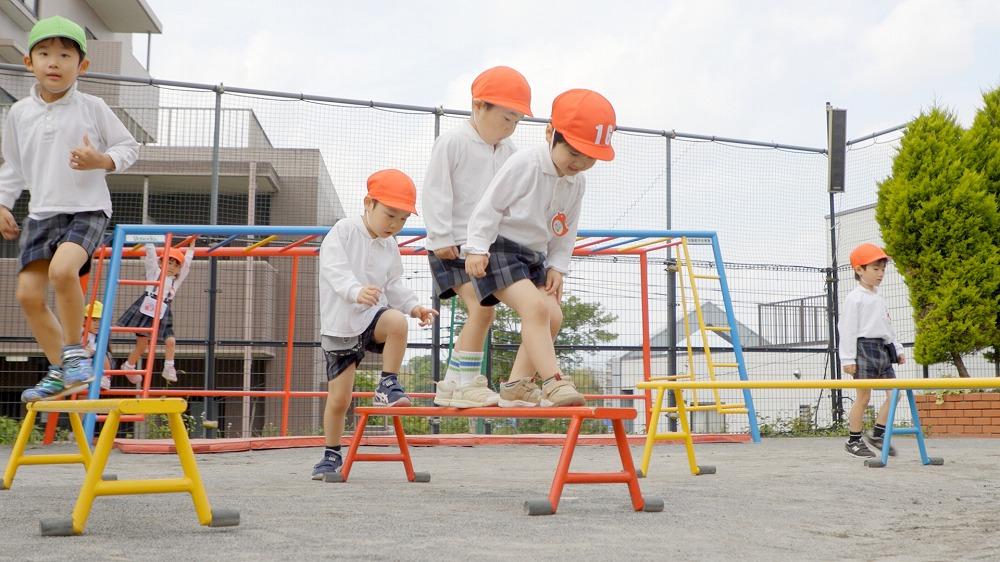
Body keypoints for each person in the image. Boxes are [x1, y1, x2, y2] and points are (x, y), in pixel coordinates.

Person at [0, 16, 139, 402]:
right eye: (44, 54)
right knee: (28, 295)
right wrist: (2, 202)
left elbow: (129, 146)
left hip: (87, 208)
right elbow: (13, 165)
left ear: (82, 66)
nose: (54, 62)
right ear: (29, 62)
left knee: (63, 271)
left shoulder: (92, 107)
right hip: (42, 213)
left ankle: (76, 352)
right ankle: (60, 369)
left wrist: (102, 160)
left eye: (65, 55)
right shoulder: (19, 114)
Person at [464, 89, 617, 407]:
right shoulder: (525, 163)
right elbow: (490, 206)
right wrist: (477, 247)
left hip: (535, 258)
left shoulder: (577, 182)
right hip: (500, 251)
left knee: (553, 315)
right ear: (550, 133)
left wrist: (557, 267)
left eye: (591, 157)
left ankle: (517, 384)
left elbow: (566, 229)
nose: (581, 163)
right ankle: (554, 381)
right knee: (534, 309)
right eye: (574, 152)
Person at [313, 169, 437, 479]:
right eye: (390, 215)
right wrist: (356, 291)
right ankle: (330, 454)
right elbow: (334, 270)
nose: (394, 225)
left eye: (403, 220)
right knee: (340, 399)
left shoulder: (389, 244)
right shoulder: (343, 231)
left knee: (396, 321)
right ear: (369, 203)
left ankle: (387, 384)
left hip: (371, 318)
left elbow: (394, 283)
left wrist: (414, 306)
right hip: (341, 324)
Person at [422, 66, 532, 408]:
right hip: (452, 244)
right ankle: (466, 383)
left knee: (485, 312)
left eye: (515, 120)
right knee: (482, 310)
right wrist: (440, 236)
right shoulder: (453, 142)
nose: (509, 126)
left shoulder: (510, 151)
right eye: (505, 117)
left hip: (484, 246)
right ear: (479, 106)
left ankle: (453, 384)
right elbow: (436, 191)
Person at [839, 243, 905, 458]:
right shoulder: (854, 298)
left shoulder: (879, 298)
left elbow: (887, 326)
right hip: (863, 348)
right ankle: (854, 440)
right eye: (875, 269)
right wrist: (848, 358)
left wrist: (897, 348)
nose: (881, 274)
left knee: (895, 393)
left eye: (883, 269)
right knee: (863, 397)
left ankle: (877, 433)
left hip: (882, 349)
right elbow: (847, 329)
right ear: (859, 270)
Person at [118, 244, 195, 384]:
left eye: (175, 265)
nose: (171, 267)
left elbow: (186, 267)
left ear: (179, 270)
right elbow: (151, 257)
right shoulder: (154, 273)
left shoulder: (175, 282)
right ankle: (128, 367)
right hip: (148, 307)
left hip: (163, 311)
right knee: (142, 345)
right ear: (161, 263)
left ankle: (168, 367)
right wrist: (150, 241)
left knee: (170, 341)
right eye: (168, 262)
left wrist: (191, 249)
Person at [81, 300, 114, 391]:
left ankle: (105, 378)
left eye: (101, 321)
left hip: (93, 365)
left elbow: (93, 351)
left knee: (102, 353)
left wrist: (90, 352)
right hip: (82, 365)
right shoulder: (82, 333)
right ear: (84, 320)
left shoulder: (100, 336)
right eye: (94, 320)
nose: (97, 324)